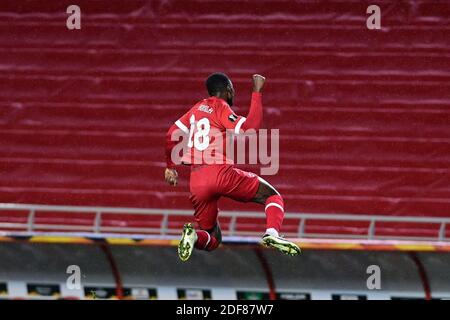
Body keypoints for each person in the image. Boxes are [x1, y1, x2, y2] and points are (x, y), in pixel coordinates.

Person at [164, 72, 301, 261]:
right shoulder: (221, 106)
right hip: (219, 172)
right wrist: (257, 92)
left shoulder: (196, 109)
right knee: (272, 196)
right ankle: (272, 233)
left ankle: (194, 236)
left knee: (213, 238)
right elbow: (250, 128)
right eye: (233, 90)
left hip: (196, 179)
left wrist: (170, 167)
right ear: (228, 90)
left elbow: (172, 133)